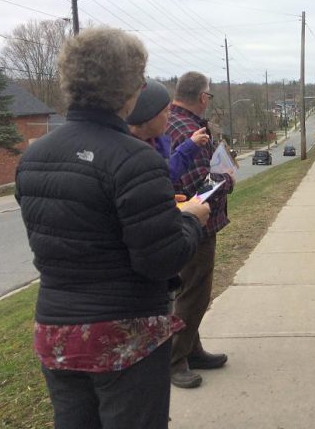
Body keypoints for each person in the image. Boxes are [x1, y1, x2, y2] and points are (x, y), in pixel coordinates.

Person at [15, 27, 211, 429]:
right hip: (124, 336)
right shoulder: (136, 159)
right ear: (129, 88)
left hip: (55, 332)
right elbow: (161, 259)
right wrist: (190, 219)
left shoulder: (34, 157)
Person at [166, 71, 234, 389]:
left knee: (192, 291)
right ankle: (175, 360)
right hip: (195, 223)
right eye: (209, 95)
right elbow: (196, 184)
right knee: (194, 294)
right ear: (203, 97)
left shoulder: (172, 121)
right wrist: (227, 178)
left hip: (185, 222)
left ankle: (192, 349)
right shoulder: (188, 128)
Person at [126, 78, 210, 183]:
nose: (170, 115)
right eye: (166, 111)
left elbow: (167, 171)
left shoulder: (156, 142)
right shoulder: (131, 158)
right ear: (150, 116)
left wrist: (191, 144)